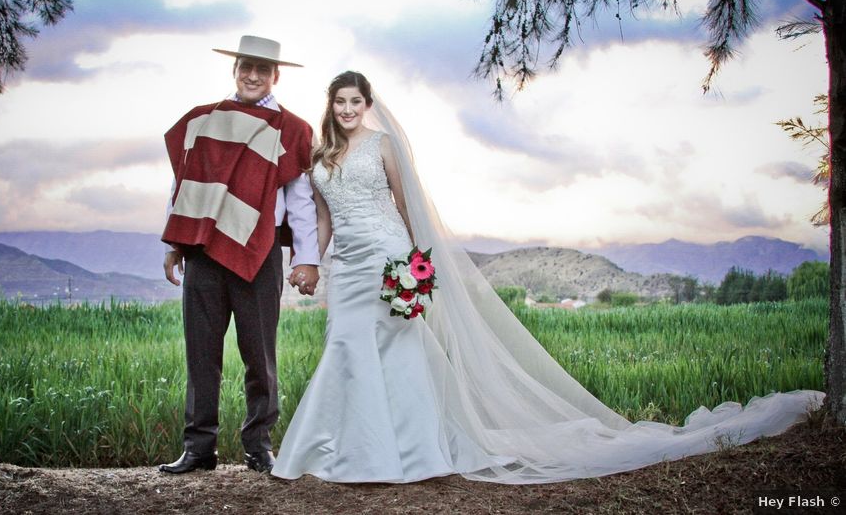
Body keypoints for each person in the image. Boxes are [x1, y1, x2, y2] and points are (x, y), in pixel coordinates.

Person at [270, 71, 824, 484]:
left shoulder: (384, 145)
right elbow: (322, 216)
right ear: (331, 105)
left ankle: (414, 452)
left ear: (368, 105)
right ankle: (342, 450)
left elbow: (406, 204)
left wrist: (418, 263)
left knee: (399, 348)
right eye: (339, 101)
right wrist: (313, 261)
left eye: (355, 101)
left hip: (391, 254)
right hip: (348, 266)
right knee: (344, 346)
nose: (347, 109)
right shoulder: (321, 156)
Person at [159, 35, 319, 475]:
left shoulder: (292, 129)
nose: (252, 76)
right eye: (245, 67)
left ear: (275, 76)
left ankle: (258, 445)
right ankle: (198, 448)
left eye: (262, 70)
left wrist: (307, 258)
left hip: (259, 251)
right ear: (235, 71)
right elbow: (185, 185)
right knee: (201, 352)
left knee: (259, 354)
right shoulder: (204, 121)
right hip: (204, 250)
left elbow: (301, 201)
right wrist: (175, 242)